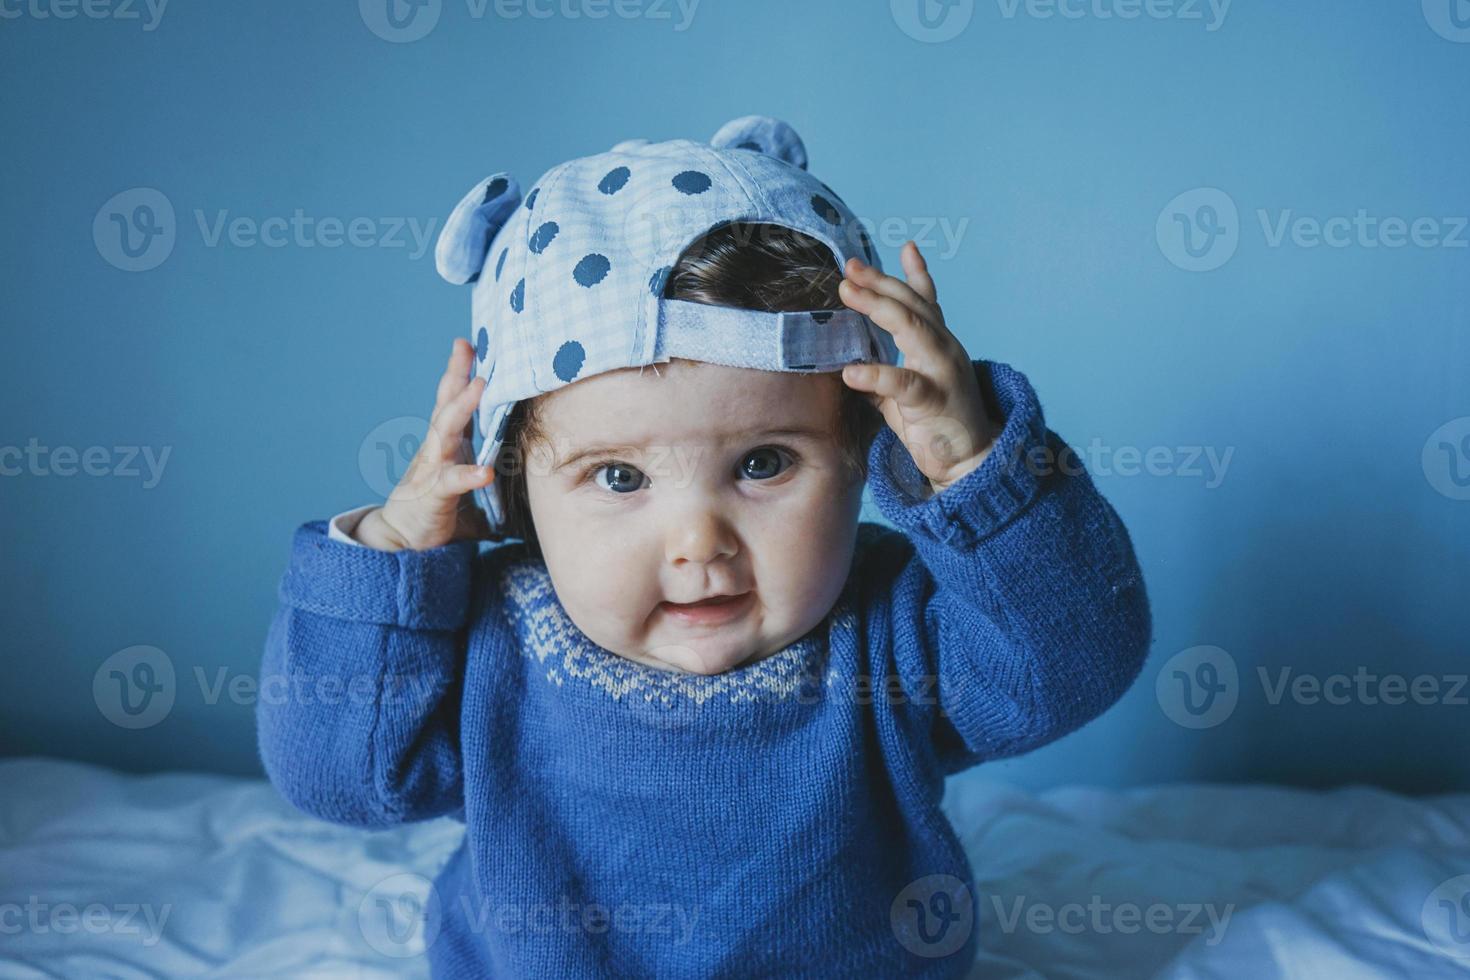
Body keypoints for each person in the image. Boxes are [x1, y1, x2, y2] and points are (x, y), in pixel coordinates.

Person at [256, 114, 1153, 978]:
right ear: (514, 481)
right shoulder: (494, 636)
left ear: (862, 453)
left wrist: (978, 473)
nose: (697, 541)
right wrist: (392, 564)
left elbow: (1072, 663)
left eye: (764, 463)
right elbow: (338, 776)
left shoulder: (889, 628)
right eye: (618, 477)